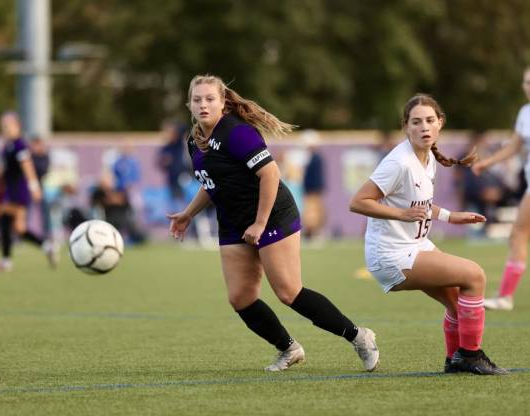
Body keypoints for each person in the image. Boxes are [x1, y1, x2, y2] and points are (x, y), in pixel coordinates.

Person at [168, 74, 379, 372]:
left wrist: (259, 223)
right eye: (198, 99)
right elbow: (212, 183)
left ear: (223, 102)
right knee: (240, 297)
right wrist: (188, 213)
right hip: (233, 222)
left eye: (210, 99)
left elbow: (270, 174)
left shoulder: (238, 133)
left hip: (271, 214)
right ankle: (288, 348)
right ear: (189, 104)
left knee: (288, 292)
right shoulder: (194, 140)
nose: (203, 104)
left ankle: (359, 336)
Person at [350, 94, 508, 375]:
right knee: (475, 275)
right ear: (406, 127)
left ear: (440, 124)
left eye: (429, 120)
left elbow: (417, 203)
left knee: (458, 300)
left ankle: (455, 359)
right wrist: (401, 216)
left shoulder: (428, 157)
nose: (424, 126)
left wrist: (449, 216)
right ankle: (470, 355)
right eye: (416, 122)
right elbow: (358, 202)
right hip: (392, 255)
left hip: (415, 245)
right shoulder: (399, 162)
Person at [472, 66, 530, 311]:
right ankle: (505, 296)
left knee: (518, 233)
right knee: (518, 233)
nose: (528, 86)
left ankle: (505, 296)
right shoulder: (525, 112)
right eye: (526, 81)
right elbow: (515, 145)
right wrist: (488, 161)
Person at [0, 112, 57, 271]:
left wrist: (34, 187)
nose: (4, 129)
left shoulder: (20, 145)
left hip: (19, 190)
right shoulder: (7, 146)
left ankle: (6, 262)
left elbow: (27, 166)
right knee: (19, 229)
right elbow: (2, 170)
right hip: (11, 190)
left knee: (4, 216)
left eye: (7, 125)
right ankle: (47, 246)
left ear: (16, 126)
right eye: (2, 126)